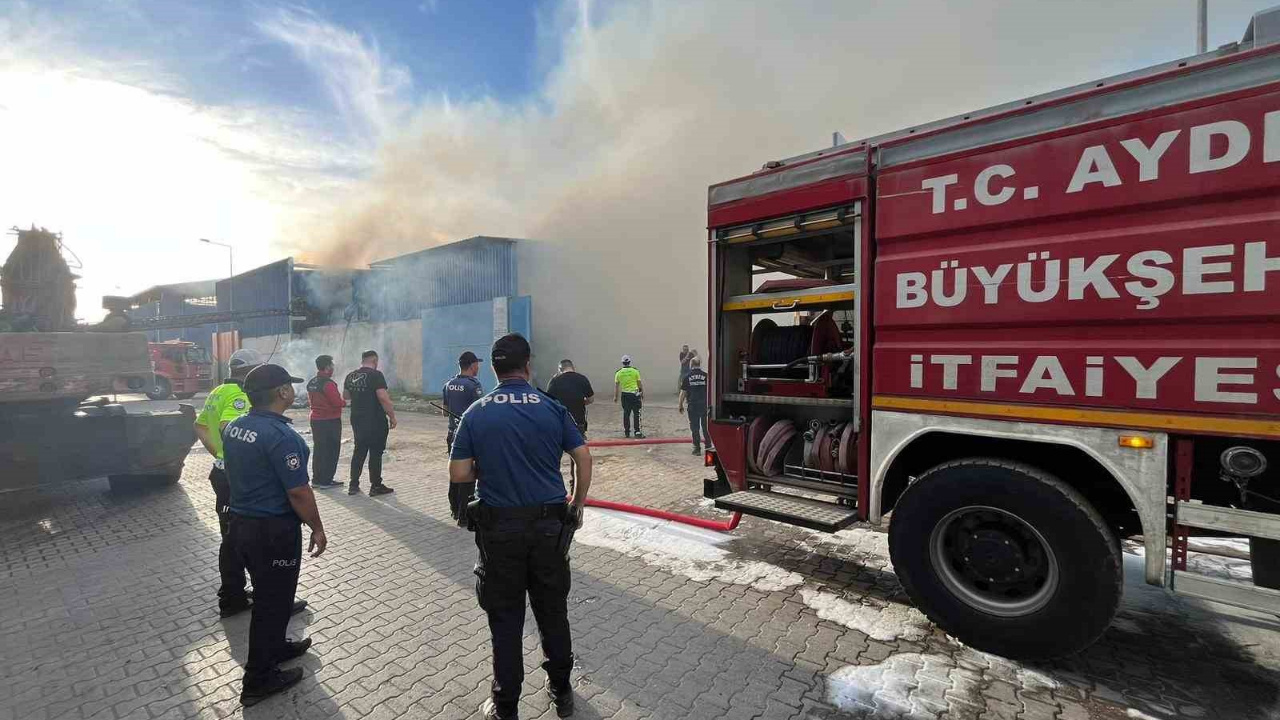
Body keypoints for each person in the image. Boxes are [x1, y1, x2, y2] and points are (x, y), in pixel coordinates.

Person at [449, 334, 593, 720]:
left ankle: (506, 705)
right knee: (552, 612)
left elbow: (459, 472)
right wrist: (576, 504)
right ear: (527, 366)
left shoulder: (477, 412)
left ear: (494, 369)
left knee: (506, 619)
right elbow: (582, 457)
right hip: (549, 528)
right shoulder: (551, 407)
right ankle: (561, 691)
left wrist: (487, 466)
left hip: (499, 533)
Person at [223, 363, 328, 706]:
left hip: (242, 525)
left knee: (274, 596)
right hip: (272, 531)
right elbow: (298, 492)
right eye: (289, 386)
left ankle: (278, 647)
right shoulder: (282, 436)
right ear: (282, 392)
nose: (293, 390)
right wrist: (317, 526)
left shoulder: (236, 426)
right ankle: (258, 679)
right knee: (273, 602)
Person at [195, 349, 307, 618]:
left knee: (232, 537)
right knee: (251, 539)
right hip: (239, 476)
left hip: (224, 473)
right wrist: (231, 457)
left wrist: (221, 457)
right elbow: (227, 427)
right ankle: (268, 596)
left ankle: (233, 595)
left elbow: (200, 426)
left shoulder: (217, 391)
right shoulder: (239, 396)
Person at [343, 350, 396, 496]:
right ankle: (376, 486)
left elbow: (346, 396)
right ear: (374, 360)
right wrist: (392, 416)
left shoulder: (351, 375)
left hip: (357, 419)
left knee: (359, 450)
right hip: (375, 420)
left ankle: (353, 485)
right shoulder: (376, 375)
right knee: (375, 453)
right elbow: (383, 398)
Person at [443, 351, 485, 523]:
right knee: (467, 476)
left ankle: (454, 509)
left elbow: (445, 412)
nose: (478, 367)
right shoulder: (473, 385)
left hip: (452, 433)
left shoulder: (449, 384)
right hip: (469, 437)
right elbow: (481, 411)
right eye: (477, 364)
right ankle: (464, 515)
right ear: (473, 365)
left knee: (455, 473)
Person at [306, 355, 345, 489]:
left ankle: (316, 479)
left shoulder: (312, 382)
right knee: (331, 450)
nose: (333, 368)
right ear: (328, 367)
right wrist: (346, 402)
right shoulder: (328, 384)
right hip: (330, 420)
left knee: (319, 449)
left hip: (315, 419)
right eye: (332, 365)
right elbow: (336, 402)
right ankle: (326, 480)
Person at [546, 359, 594, 436]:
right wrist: (581, 402)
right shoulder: (582, 379)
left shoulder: (555, 381)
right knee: (578, 446)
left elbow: (548, 401)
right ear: (573, 367)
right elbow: (591, 399)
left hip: (560, 422)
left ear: (560, 369)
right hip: (579, 422)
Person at [678, 356, 711, 455]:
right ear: (699, 364)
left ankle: (697, 449)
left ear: (691, 364)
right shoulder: (706, 376)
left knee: (695, 427)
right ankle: (708, 446)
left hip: (693, 405)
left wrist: (680, 405)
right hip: (704, 404)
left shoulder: (687, 377)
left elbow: (683, 393)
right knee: (706, 426)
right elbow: (711, 390)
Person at [613, 355, 645, 439]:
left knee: (626, 413)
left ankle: (627, 432)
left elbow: (616, 386)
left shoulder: (618, 373)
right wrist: (642, 393)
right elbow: (639, 384)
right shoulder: (635, 371)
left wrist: (615, 397)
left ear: (622, 363)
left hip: (625, 395)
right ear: (629, 362)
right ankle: (637, 431)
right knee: (636, 413)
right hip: (635, 394)